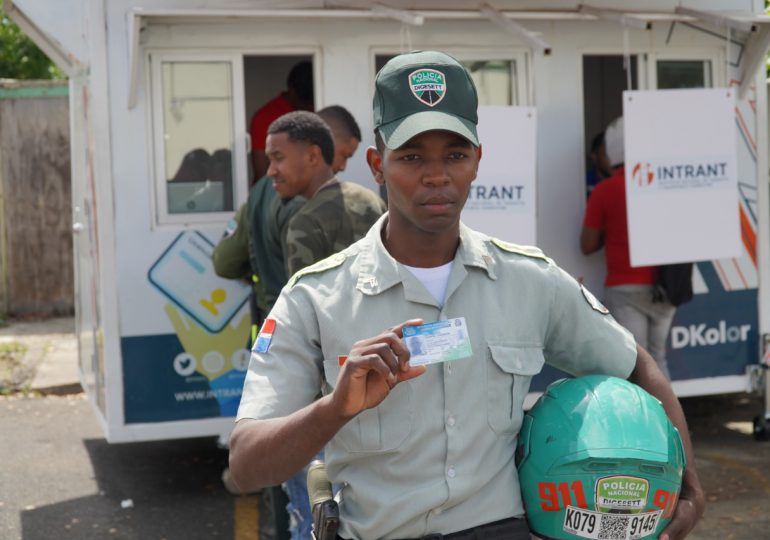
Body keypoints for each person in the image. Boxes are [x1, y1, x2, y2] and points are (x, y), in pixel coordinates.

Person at [230, 51, 703, 540]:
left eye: (455, 154)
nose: (437, 175)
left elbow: (635, 364)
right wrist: (335, 409)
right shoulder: (315, 297)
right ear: (376, 165)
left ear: (478, 160)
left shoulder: (530, 280)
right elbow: (246, 464)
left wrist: (689, 489)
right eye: (412, 157)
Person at [581, 117, 677, 380]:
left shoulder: (605, 190)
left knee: (636, 365)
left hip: (624, 287)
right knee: (658, 359)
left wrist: (609, 231)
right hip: (666, 288)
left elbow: (587, 245)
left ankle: (646, 421)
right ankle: (670, 421)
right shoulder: (663, 182)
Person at [265, 111, 386, 277]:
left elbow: (304, 301)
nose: (270, 171)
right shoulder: (371, 199)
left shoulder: (305, 222)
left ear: (313, 156)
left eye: (278, 158)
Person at [251, 61, 314, 182]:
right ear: (291, 89)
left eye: (309, 103)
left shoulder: (319, 109)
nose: (305, 107)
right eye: (302, 101)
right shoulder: (264, 118)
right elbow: (262, 175)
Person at [585, 131, 612, 197]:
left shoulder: (623, 180)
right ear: (594, 156)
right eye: (606, 155)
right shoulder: (585, 182)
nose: (612, 160)